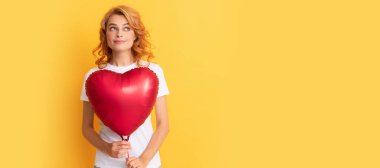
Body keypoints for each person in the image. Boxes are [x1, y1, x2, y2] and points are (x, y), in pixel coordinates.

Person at [80, 5, 170, 168]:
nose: (119, 34)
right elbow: (86, 127)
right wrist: (107, 148)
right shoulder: (93, 77)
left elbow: (163, 124)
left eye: (126, 28)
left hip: (147, 164)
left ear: (135, 34)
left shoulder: (152, 72)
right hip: (106, 164)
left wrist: (144, 159)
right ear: (105, 34)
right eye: (113, 28)